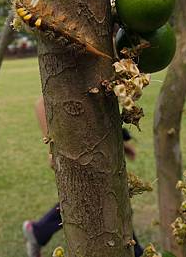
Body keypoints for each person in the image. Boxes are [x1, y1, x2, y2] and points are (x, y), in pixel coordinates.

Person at [23, 97, 144, 257]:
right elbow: (41, 103)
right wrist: (53, 148)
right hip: (82, 154)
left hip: (101, 153)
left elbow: (101, 114)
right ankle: (38, 231)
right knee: (94, 200)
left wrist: (123, 143)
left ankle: (39, 231)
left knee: (102, 200)